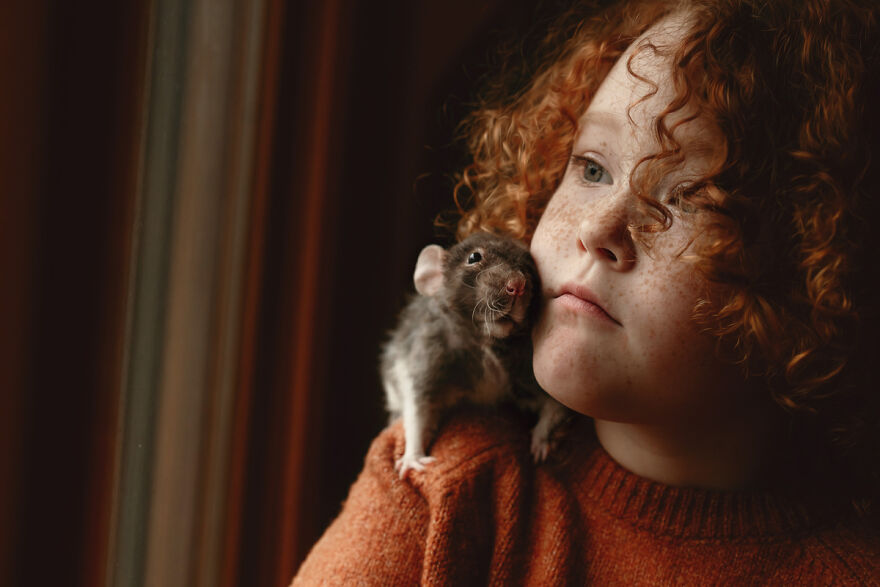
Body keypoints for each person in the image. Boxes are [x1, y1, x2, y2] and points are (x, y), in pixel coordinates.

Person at [293, 0, 880, 583]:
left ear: (816, 272)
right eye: (593, 168)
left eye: (689, 198)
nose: (597, 229)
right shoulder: (436, 487)